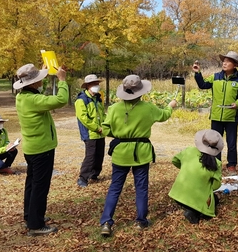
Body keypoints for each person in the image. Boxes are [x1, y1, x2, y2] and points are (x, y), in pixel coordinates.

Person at [99, 74, 177, 237]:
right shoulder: (148, 108)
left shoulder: (113, 109)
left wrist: (120, 134)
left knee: (115, 187)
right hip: (141, 152)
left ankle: (106, 222)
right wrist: (171, 106)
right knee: (141, 187)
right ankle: (141, 221)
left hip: (120, 152)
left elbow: (105, 129)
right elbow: (164, 115)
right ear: (141, 92)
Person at [13, 63, 68, 236]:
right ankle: (36, 225)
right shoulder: (33, 100)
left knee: (32, 184)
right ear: (31, 83)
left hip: (32, 149)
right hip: (42, 149)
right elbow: (61, 100)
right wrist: (62, 81)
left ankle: (30, 216)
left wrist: (42, 71)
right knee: (40, 187)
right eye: (38, 79)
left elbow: (40, 99)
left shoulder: (23, 97)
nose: (41, 80)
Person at [192, 51, 238, 176]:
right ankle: (215, 164)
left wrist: (237, 103)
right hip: (216, 116)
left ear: (234, 65)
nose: (225, 63)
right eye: (224, 61)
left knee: (231, 143)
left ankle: (232, 166)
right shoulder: (216, 77)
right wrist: (197, 73)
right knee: (215, 142)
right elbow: (203, 85)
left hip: (231, 117)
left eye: (228, 61)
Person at [168, 129, 224, 224]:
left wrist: (185, 168)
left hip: (177, 196)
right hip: (197, 198)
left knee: (214, 199)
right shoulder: (216, 163)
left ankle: (191, 209)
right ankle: (194, 212)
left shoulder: (188, 151)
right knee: (213, 203)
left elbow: (175, 160)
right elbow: (216, 186)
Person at [75, 74, 106, 188]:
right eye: (94, 84)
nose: (97, 86)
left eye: (97, 84)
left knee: (99, 155)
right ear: (87, 86)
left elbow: (102, 114)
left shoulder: (98, 98)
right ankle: (83, 178)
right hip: (90, 133)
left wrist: (105, 125)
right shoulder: (81, 100)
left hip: (101, 132)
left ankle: (94, 175)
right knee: (90, 156)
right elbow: (83, 118)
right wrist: (96, 128)